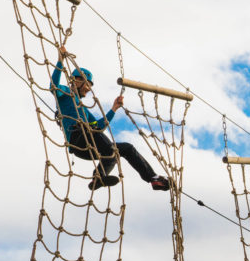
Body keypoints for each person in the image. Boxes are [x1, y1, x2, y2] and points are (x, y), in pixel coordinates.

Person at [51, 45, 170, 191]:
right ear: (76, 80)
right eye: (87, 84)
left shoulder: (83, 110)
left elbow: (99, 125)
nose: (88, 89)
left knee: (124, 148)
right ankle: (100, 175)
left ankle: (151, 178)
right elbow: (53, 86)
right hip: (79, 139)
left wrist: (114, 108)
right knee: (102, 140)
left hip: (90, 143)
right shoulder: (66, 93)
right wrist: (60, 61)